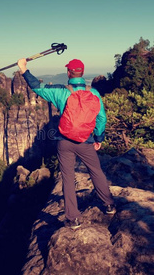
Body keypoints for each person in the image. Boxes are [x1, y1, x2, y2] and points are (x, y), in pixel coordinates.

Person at [17, 58, 116, 229]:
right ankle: (109, 205)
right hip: (86, 141)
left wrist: (24, 69)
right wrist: (99, 139)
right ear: (82, 73)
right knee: (96, 171)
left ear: (69, 73)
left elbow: (37, 87)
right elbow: (102, 118)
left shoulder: (60, 91)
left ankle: (73, 219)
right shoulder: (94, 93)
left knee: (68, 178)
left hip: (64, 142)